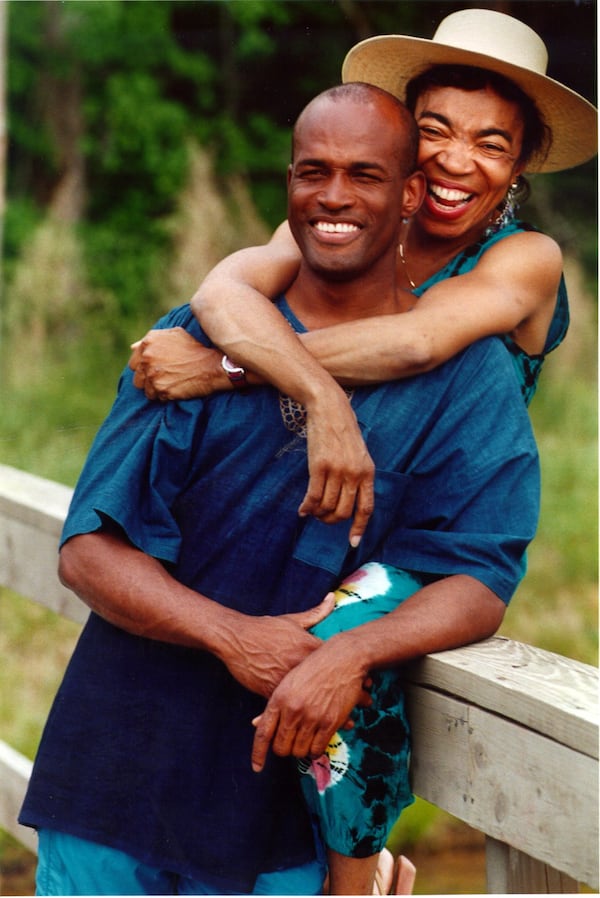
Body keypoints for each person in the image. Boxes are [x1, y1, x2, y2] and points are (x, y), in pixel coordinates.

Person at [19, 82, 540, 897]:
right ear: (287, 185)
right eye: (312, 172)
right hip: (114, 775)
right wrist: (234, 636)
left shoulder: (470, 378)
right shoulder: (192, 341)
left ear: (409, 194)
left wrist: (356, 651)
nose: (334, 197)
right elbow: (89, 550)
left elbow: (479, 577)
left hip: (281, 815)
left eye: (364, 176)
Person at [126, 9, 596, 892]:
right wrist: (237, 344)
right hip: (327, 503)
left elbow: (415, 345)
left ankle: (357, 877)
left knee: (333, 640)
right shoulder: (358, 211)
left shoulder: (526, 257)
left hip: (436, 523)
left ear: (522, 164)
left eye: (492, 143)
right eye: (435, 132)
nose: (458, 161)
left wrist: (224, 364)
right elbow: (223, 287)